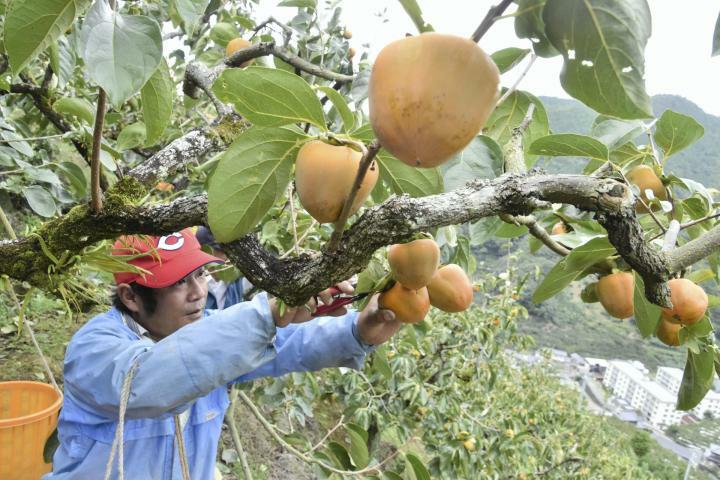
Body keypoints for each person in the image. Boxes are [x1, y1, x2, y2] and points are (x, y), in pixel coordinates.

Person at [46, 228, 400, 479]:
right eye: (178, 282)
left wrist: (357, 331)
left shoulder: (211, 333)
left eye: (199, 275)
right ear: (130, 297)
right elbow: (144, 382)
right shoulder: (93, 347)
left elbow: (289, 344)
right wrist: (266, 314)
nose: (199, 292)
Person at [195, 226, 249, 309]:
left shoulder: (234, 278)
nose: (231, 258)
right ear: (205, 252)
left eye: (233, 252)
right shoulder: (194, 289)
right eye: (225, 252)